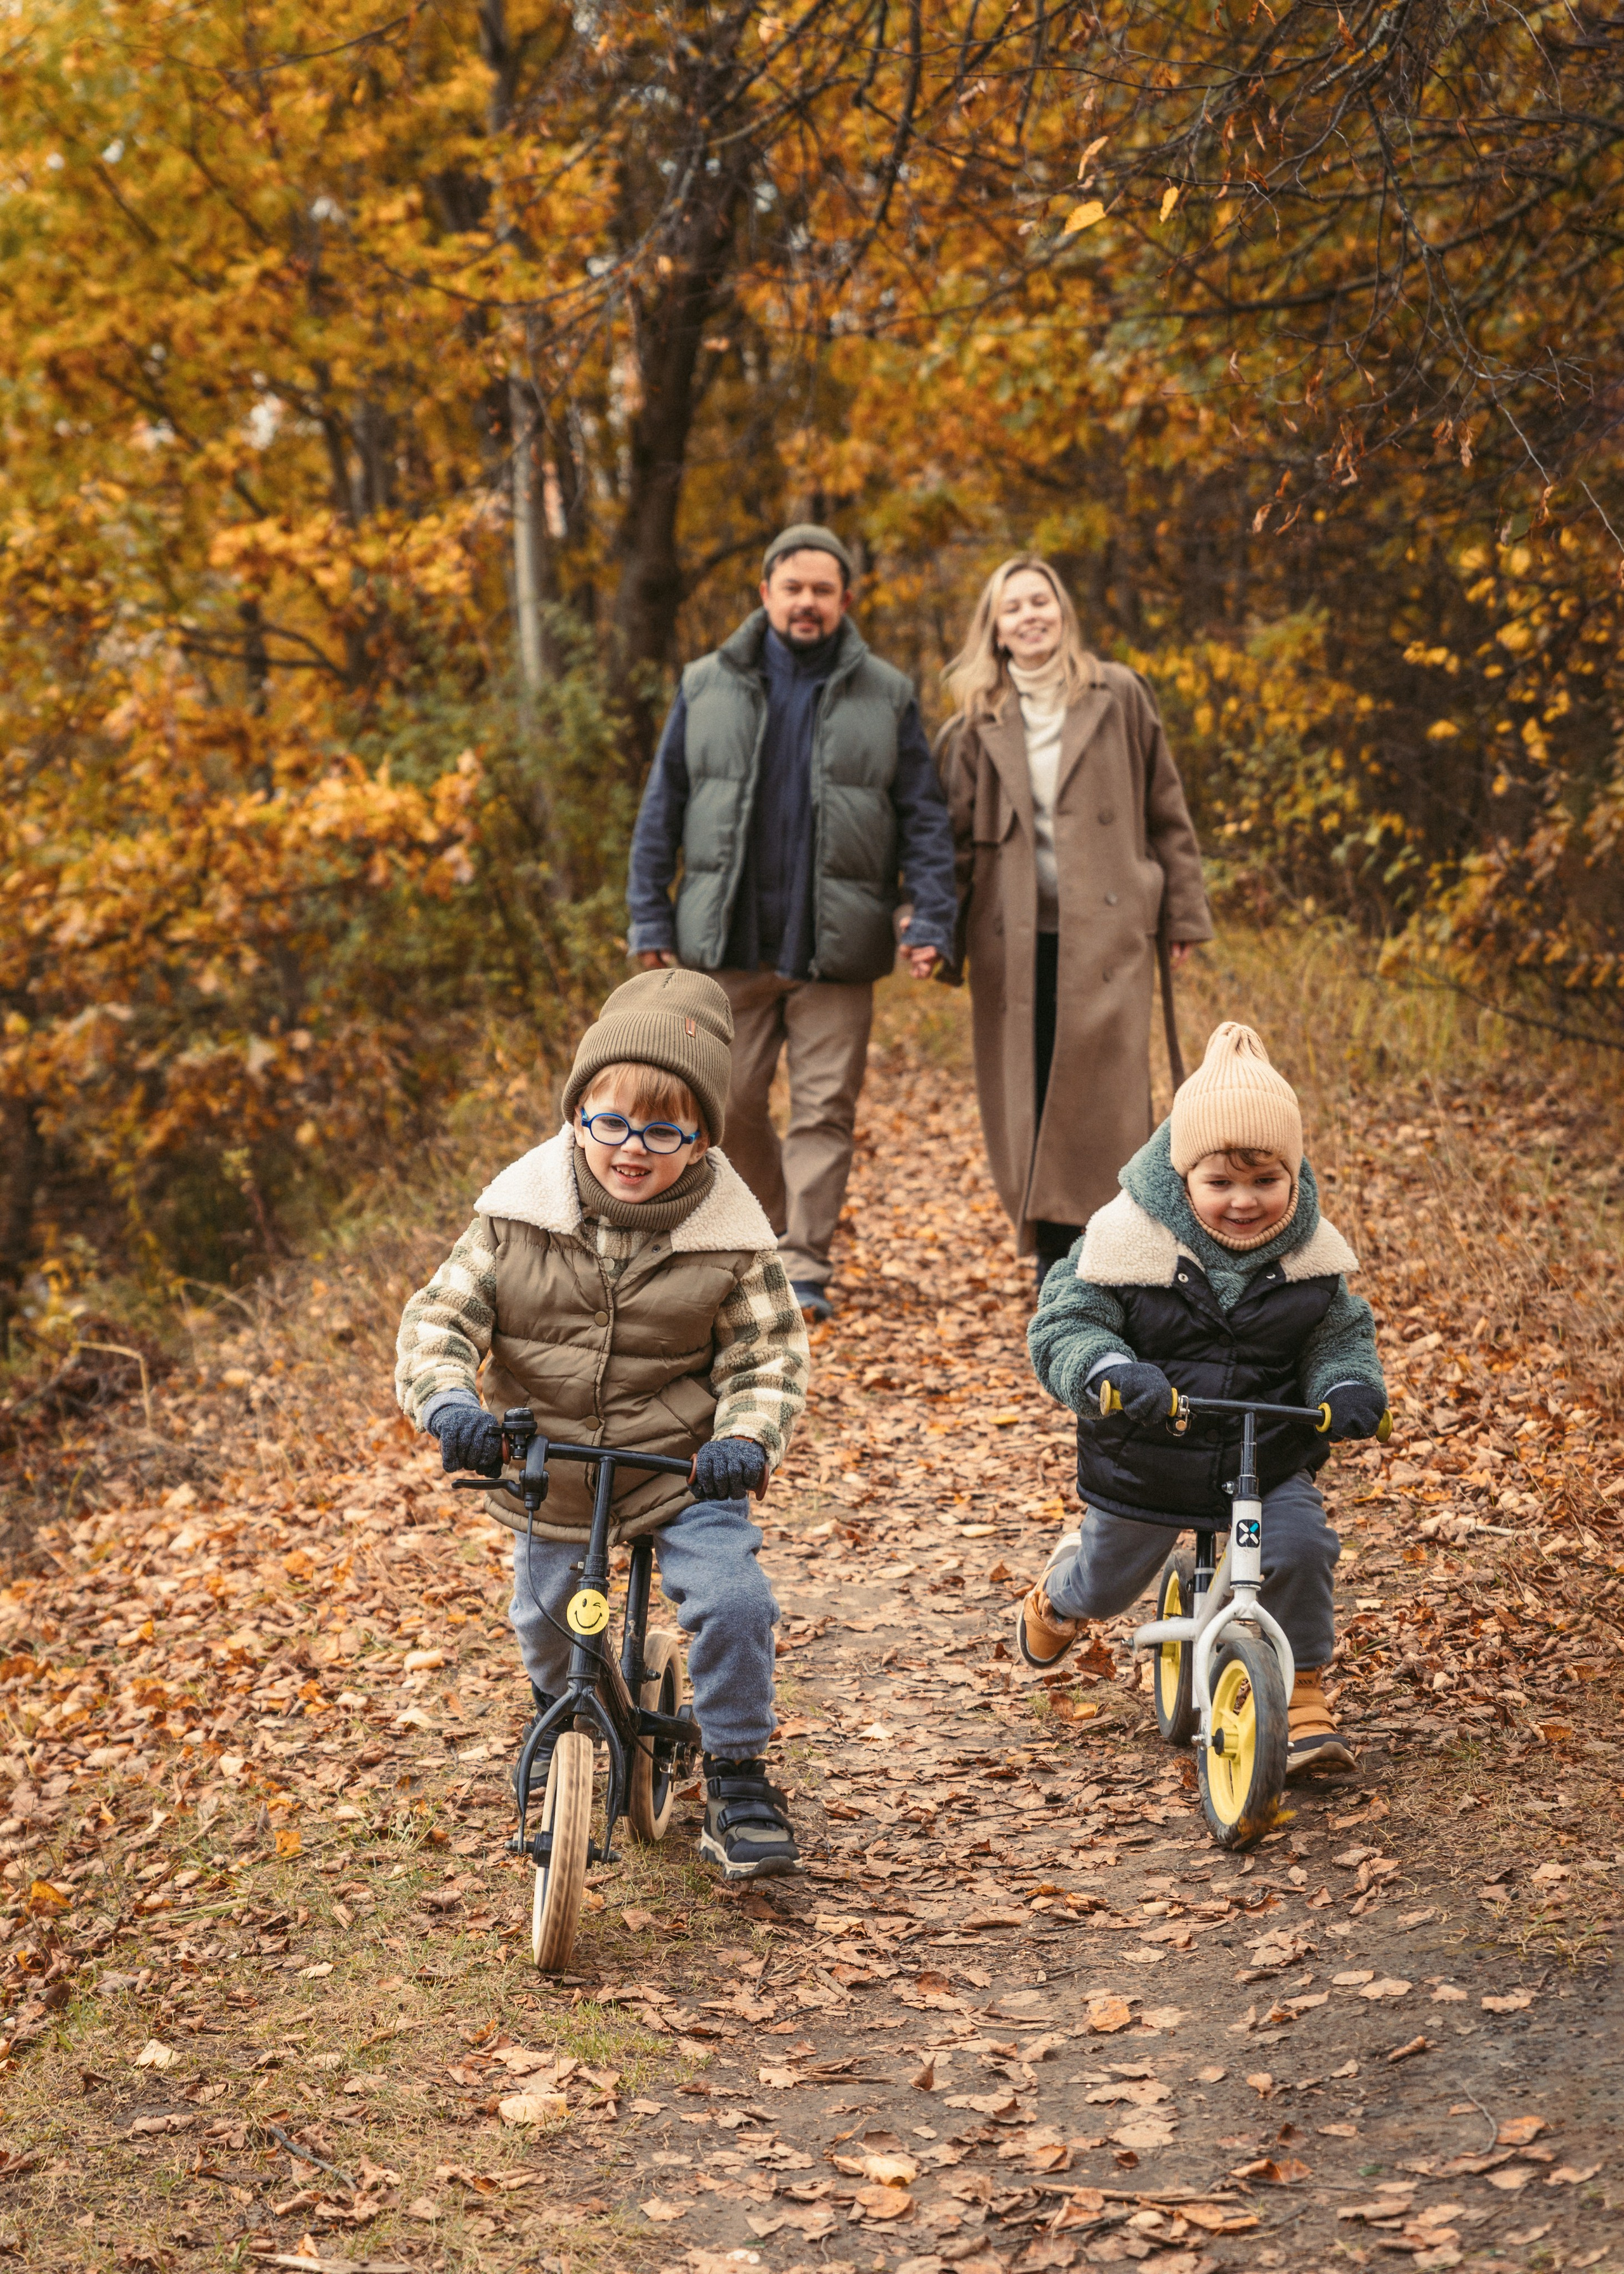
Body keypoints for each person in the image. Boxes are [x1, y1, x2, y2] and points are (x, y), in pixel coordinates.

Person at [393, 967, 811, 1878]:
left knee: (736, 1603)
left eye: (665, 1129)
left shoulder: (733, 1240)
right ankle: (565, 1710)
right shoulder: (514, 1220)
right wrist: (451, 1403)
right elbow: (440, 1321)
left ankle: (739, 1772)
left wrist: (744, 1439)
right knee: (544, 1614)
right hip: (557, 1466)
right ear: (576, 1116)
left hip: (679, 1468)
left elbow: (768, 1358)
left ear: (701, 1139)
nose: (633, 1148)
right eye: (611, 1121)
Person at [1021, 1022, 1388, 1775]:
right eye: (1220, 1183)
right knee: (1110, 1579)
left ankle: (1306, 1687)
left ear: (1295, 1174)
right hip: (1148, 1455)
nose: (1245, 1202)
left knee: (1302, 1547)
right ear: (1180, 1178)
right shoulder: (1124, 1243)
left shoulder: (1311, 1261)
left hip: (1267, 1454)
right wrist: (1107, 1369)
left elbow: (1336, 1337)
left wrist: (1348, 1385)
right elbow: (1067, 1321)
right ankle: (1059, 1598)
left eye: (1265, 1181)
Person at [627, 522, 957, 1320]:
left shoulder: (886, 692)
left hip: (834, 949)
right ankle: (770, 1226)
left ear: (845, 600)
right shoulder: (705, 683)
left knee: (823, 1110)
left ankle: (803, 1263)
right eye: (792, 588)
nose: (806, 603)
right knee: (727, 1101)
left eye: (822, 590)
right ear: (766, 594)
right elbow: (662, 803)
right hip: (727, 946)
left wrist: (932, 917)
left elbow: (924, 818)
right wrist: (647, 912)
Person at [938, 556, 1214, 1291]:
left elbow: (1166, 808)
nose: (1029, 616)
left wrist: (1183, 910)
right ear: (994, 629)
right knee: (1027, 1093)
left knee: (1107, 1094)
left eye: (1041, 601)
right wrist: (933, 931)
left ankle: (1112, 1246)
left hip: (1111, 929)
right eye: (1012, 607)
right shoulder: (975, 722)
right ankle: (1055, 1260)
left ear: (1061, 611)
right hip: (1013, 939)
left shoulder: (1116, 692)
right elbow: (951, 841)